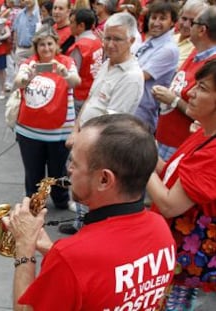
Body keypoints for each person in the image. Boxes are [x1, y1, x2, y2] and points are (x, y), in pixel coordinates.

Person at [4, 113, 176, 310]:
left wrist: (24, 246)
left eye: (75, 164)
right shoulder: (160, 228)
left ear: (104, 179)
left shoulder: (71, 257)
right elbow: (106, 280)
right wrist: (55, 254)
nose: (68, 169)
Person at [59, 12, 144, 234]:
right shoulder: (108, 64)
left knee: (91, 192)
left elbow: (111, 126)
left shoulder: (132, 77)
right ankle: (80, 223)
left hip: (100, 148)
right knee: (78, 185)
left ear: (131, 41)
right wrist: (76, 128)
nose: (110, 44)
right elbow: (90, 99)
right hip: (83, 139)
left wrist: (81, 140)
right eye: (107, 38)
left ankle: (87, 230)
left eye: (117, 39)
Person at [147, 59, 216, 311]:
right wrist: (150, 154)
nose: (190, 93)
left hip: (183, 258)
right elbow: (173, 177)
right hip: (173, 249)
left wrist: (138, 159)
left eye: (203, 88)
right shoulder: (205, 132)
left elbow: (169, 204)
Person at [13, 24, 80, 210]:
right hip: (29, 131)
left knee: (58, 171)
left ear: (56, 44)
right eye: (42, 44)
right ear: (36, 47)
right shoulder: (29, 63)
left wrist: (64, 74)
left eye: (50, 44)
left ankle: (62, 200)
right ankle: (34, 202)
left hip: (59, 131)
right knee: (33, 172)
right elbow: (18, 81)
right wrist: (27, 76)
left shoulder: (66, 62)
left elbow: (76, 82)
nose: (46, 48)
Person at [154, 6, 216, 161]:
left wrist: (173, 100)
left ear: (202, 30)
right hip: (165, 136)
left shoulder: (212, 67)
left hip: (179, 143)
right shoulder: (196, 52)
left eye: (192, 22)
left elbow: (205, 111)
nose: (186, 25)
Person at [134, 0, 179, 133]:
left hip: (142, 114)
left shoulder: (168, 49)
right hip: (132, 107)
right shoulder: (150, 41)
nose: (156, 22)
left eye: (162, 18)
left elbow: (141, 75)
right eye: (153, 17)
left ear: (172, 23)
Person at [67, 8, 103, 115]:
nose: (70, 25)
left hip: (79, 95)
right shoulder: (98, 41)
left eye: (72, 22)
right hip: (93, 92)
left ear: (81, 25)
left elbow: (72, 75)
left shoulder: (80, 47)